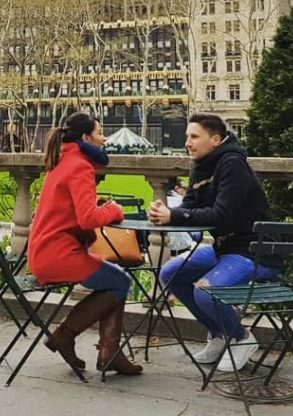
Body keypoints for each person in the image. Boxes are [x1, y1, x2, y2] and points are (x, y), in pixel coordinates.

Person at [148, 113, 274, 371]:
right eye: (187, 137)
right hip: (225, 249)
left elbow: (222, 215)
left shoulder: (232, 164)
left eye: (194, 136)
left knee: (204, 290)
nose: (187, 142)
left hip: (255, 251)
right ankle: (220, 334)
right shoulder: (202, 165)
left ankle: (241, 338)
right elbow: (191, 207)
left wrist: (175, 215)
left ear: (215, 139)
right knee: (171, 272)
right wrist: (165, 211)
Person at [27, 112, 143, 375]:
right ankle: (79, 340)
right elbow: (88, 219)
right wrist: (114, 209)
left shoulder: (62, 160)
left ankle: (97, 347)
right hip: (59, 254)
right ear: (86, 137)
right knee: (121, 281)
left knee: (116, 281)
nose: (104, 139)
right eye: (100, 132)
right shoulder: (80, 166)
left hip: (47, 251)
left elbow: (72, 211)